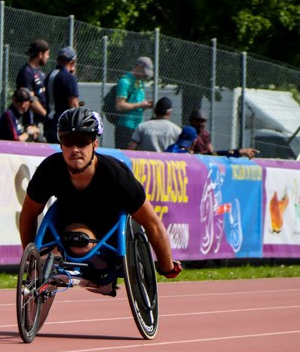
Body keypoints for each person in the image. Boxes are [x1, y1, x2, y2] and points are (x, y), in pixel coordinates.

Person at [19, 107, 182, 296]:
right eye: (68, 142)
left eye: (82, 142)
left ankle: (99, 273)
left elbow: (152, 224)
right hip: (68, 224)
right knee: (74, 240)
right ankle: (60, 267)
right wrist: (30, 259)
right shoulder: (50, 170)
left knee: (80, 242)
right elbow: (29, 214)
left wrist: (166, 266)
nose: (75, 149)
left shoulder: (116, 175)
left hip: (107, 230)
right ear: (61, 144)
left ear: (94, 144)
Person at [114, 56, 154, 149]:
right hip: (125, 127)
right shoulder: (125, 82)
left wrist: (146, 105)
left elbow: (136, 103)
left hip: (138, 126)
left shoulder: (140, 82)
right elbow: (119, 106)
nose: (145, 76)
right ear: (139, 66)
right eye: (144, 72)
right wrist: (140, 105)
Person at [186, 108, 259, 159]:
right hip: (193, 160)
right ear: (191, 121)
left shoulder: (205, 134)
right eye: (197, 121)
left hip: (204, 158)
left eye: (203, 121)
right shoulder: (188, 133)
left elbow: (212, 153)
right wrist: (237, 152)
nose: (200, 124)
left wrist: (236, 152)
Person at [43, 47, 80, 144]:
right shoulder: (68, 77)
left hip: (48, 122)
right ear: (72, 62)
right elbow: (73, 104)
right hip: (63, 125)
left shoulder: (49, 75)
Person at [15, 39, 50, 125]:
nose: (48, 57)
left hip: (41, 121)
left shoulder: (39, 72)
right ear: (40, 55)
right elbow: (30, 99)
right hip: (32, 123)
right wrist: (46, 115)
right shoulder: (26, 72)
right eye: (47, 54)